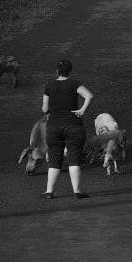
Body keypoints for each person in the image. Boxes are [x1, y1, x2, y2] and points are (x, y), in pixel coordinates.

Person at [42, 59, 93, 199]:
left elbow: (45, 109)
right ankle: (77, 191)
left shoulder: (49, 85)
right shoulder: (74, 83)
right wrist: (82, 110)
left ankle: (49, 191)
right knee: (74, 158)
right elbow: (89, 95)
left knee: (54, 159)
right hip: (74, 125)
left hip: (53, 126)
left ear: (57, 70)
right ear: (70, 71)